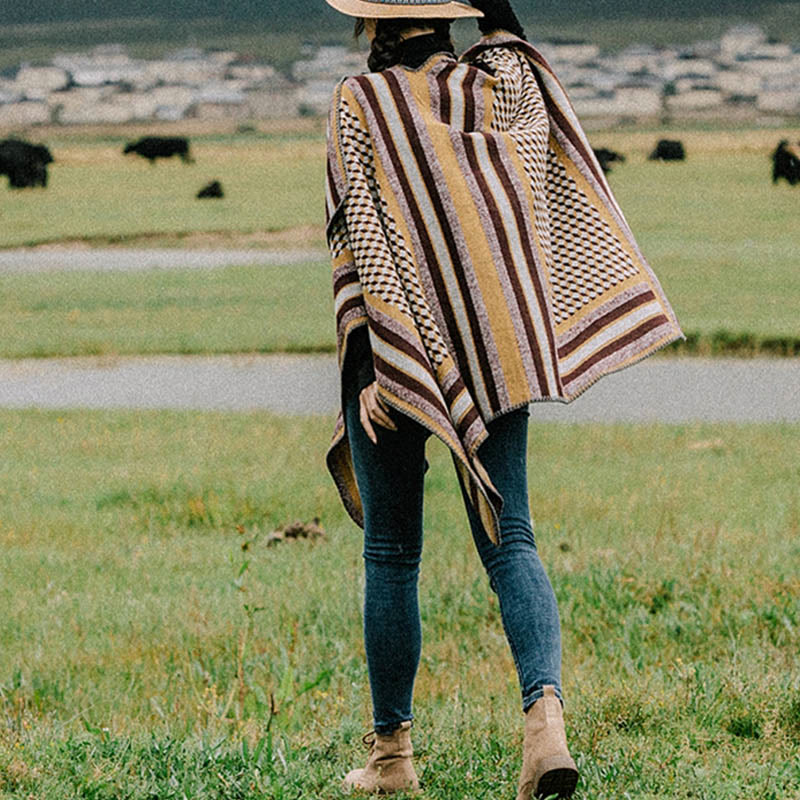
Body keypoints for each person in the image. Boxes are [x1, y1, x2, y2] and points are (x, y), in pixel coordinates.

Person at [323, 0, 682, 796]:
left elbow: (366, 238)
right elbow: (520, 62)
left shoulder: (361, 101)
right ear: (455, 20)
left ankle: (392, 760)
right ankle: (544, 728)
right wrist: (497, 17)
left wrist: (388, 363)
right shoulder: (500, 89)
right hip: (494, 347)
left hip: (394, 358)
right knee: (511, 537)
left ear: (371, 27)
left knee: (391, 555)